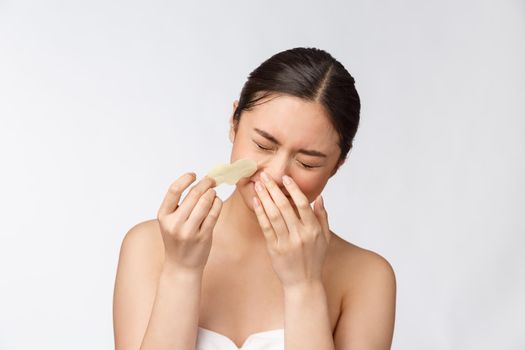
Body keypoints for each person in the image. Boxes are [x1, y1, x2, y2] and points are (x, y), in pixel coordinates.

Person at [113, 47, 396, 350]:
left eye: (307, 163)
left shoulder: (367, 277)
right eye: (263, 145)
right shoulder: (148, 247)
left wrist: (304, 286)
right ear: (234, 123)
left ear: (337, 164)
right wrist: (181, 271)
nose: (274, 174)